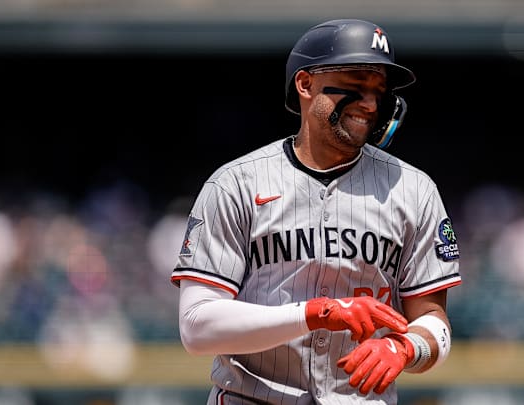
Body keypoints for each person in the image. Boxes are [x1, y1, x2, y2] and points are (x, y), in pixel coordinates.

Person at [170, 18, 462, 405]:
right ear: (305, 84)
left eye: (379, 90)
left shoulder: (414, 190)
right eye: (356, 84)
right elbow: (197, 327)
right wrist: (315, 312)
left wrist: (406, 348)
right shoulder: (236, 184)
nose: (371, 104)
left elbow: (434, 323)